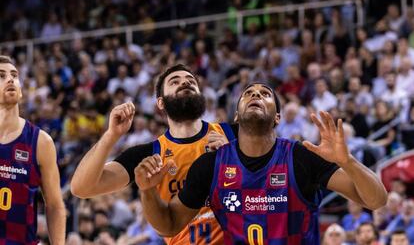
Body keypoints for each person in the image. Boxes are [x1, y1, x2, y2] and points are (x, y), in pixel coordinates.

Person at [135, 83, 387, 244]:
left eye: (265, 94)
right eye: (248, 94)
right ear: (236, 115)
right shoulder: (210, 166)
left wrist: (348, 161)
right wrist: (146, 190)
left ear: (277, 117)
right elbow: (167, 225)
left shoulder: (301, 157)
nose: (255, 94)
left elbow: (376, 200)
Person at [71, 64, 236, 244]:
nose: (185, 83)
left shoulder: (233, 135)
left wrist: (234, 156)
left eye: (191, 81)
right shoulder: (148, 155)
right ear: (161, 102)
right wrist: (111, 135)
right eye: (175, 82)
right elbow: (81, 188)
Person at [0, 55, 66, 244]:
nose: (10, 79)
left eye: (14, 75)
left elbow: (55, 206)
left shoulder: (41, 141)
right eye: (1, 75)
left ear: (21, 91)